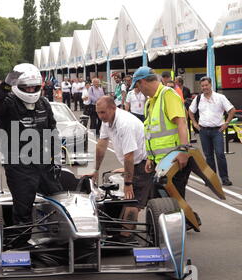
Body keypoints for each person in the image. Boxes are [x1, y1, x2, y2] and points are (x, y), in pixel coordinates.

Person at [0, 63, 62, 248]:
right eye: (26, 87)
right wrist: (5, 85)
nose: (30, 90)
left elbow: (53, 131)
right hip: (19, 165)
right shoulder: (8, 102)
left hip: (44, 163)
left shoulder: (44, 103)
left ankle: (61, 239)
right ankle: (20, 245)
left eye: (33, 87)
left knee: (59, 198)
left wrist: (56, 158)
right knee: (23, 209)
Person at [130, 66, 201, 230]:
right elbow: (151, 133)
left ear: (142, 82)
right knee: (162, 197)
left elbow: (181, 123)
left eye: (137, 86)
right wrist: (150, 157)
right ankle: (185, 222)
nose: (137, 90)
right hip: (160, 161)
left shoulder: (167, 95)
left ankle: (178, 228)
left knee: (170, 198)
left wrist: (183, 151)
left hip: (175, 160)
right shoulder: (150, 102)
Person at [91, 96, 153, 243]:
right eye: (98, 113)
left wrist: (128, 183)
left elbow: (129, 156)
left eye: (103, 112)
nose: (100, 116)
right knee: (123, 196)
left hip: (143, 163)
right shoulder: (107, 121)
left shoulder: (124, 124)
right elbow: (101, 145)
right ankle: (121, 228)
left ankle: (126, 237)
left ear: (113, 108)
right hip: (133, 160)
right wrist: (95, 169)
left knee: (132, 199)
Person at [188, 77, 235, 186]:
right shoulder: (198, 98)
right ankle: (211, 179)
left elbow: (232, 110)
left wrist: (226, 123)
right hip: (203, 131)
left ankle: (224, 178)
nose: (204, 88)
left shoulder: (220, 97)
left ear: (211, 85)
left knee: (219, 154)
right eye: (202, 86)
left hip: (217, 130)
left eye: (206, 85)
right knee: (208, 156)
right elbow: (190, 111)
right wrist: (194, 123)